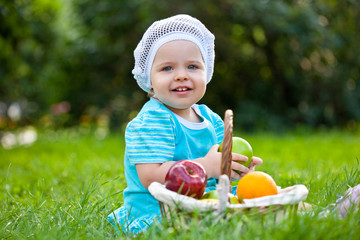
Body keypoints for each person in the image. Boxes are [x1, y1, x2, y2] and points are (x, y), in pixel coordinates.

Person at [108, 14, 263, 235]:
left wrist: (232, 168)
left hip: (204, 205)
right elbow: (150, 176)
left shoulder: (211, 119)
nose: (181, 75)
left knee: (261, 204)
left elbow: (218, 167)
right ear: (149, 79)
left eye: (192, 66)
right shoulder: (152, 120)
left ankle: (318, 211)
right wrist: (205, 166)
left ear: (206, 71)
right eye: (167, 68)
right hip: (159, 212)